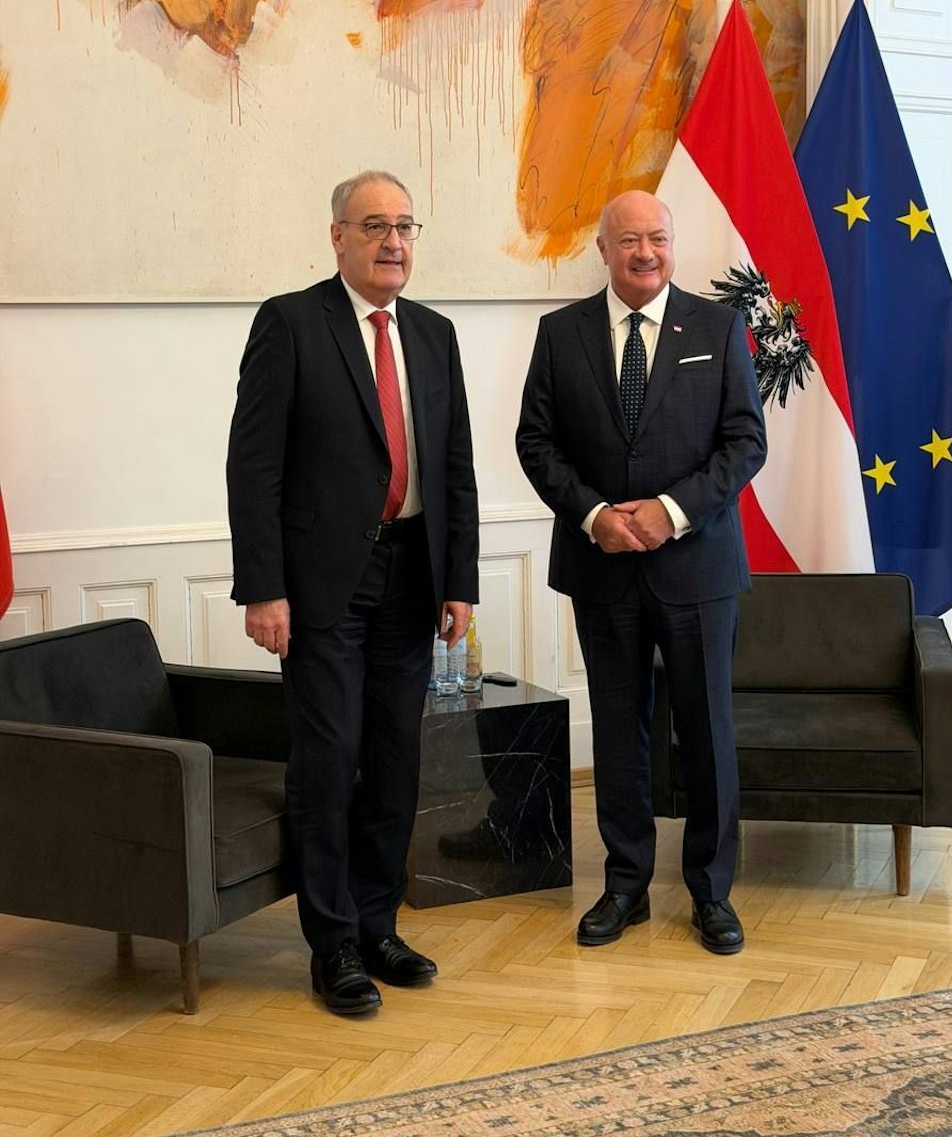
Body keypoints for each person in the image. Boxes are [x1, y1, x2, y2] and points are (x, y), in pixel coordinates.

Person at [227, 170, 479, 1016]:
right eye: (374, 225)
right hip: (319, 587)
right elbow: (253, 467)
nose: (393, 241)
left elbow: (454, 467)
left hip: (414, 578)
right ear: (337, 237)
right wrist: (264, 587)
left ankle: (377, 925)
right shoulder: (291, 323)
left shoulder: (436, 335)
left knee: (396, 762)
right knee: (330, 762)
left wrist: (461, 580)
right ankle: (331, 942)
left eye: (405, 225)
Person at [516, 190, 766, 954]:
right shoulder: (559, 334)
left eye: (657, 237)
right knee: (619, 732)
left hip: (698, 566)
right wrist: (595, 515)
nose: (645, 252)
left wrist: (670, 510)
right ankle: (625, 885)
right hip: (602, 568)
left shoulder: (718, 328)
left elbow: (745, 442)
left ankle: (711, 892)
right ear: (603, 248)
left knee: (707, 732)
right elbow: (535, 442)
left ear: (672, 243)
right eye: (629, 240)